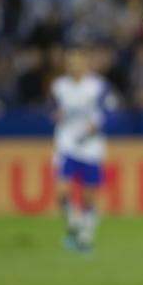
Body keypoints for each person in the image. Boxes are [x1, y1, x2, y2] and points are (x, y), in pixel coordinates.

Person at [50, 45, 116, 252]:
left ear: (86, 63)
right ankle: (75, 224)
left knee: (89, 196)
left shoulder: (98, 86)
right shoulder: (59, 86)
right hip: (66, 143)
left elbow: (111, 112)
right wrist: (55, 114)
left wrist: (98, 125)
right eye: (70, 62)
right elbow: (50, 107)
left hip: (91, 147)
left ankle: (85, 236)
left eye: (77, 61)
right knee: (62, 192)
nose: (74, 65)